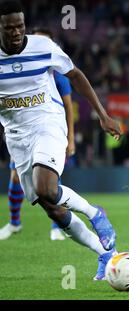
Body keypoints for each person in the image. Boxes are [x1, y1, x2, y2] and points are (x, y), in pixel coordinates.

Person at [0, 1, 122, 280]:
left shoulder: (42, 47)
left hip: (47, 125)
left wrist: (102, 115)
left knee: (47, 188)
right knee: (51, 208)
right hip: (17, 138)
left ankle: (95, 213)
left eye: (20, 25)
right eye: (9, 28)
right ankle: (105, 255)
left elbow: (76, 75)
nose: (16, 32)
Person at [0, 26, 75, 241]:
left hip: (48, 129)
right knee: (16, 176)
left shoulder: (59, 76)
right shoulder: (22, 67)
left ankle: (56, 225)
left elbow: (68, 106)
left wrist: (70, 138)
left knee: (49, 179)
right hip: (21, 133)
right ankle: (14, 222)